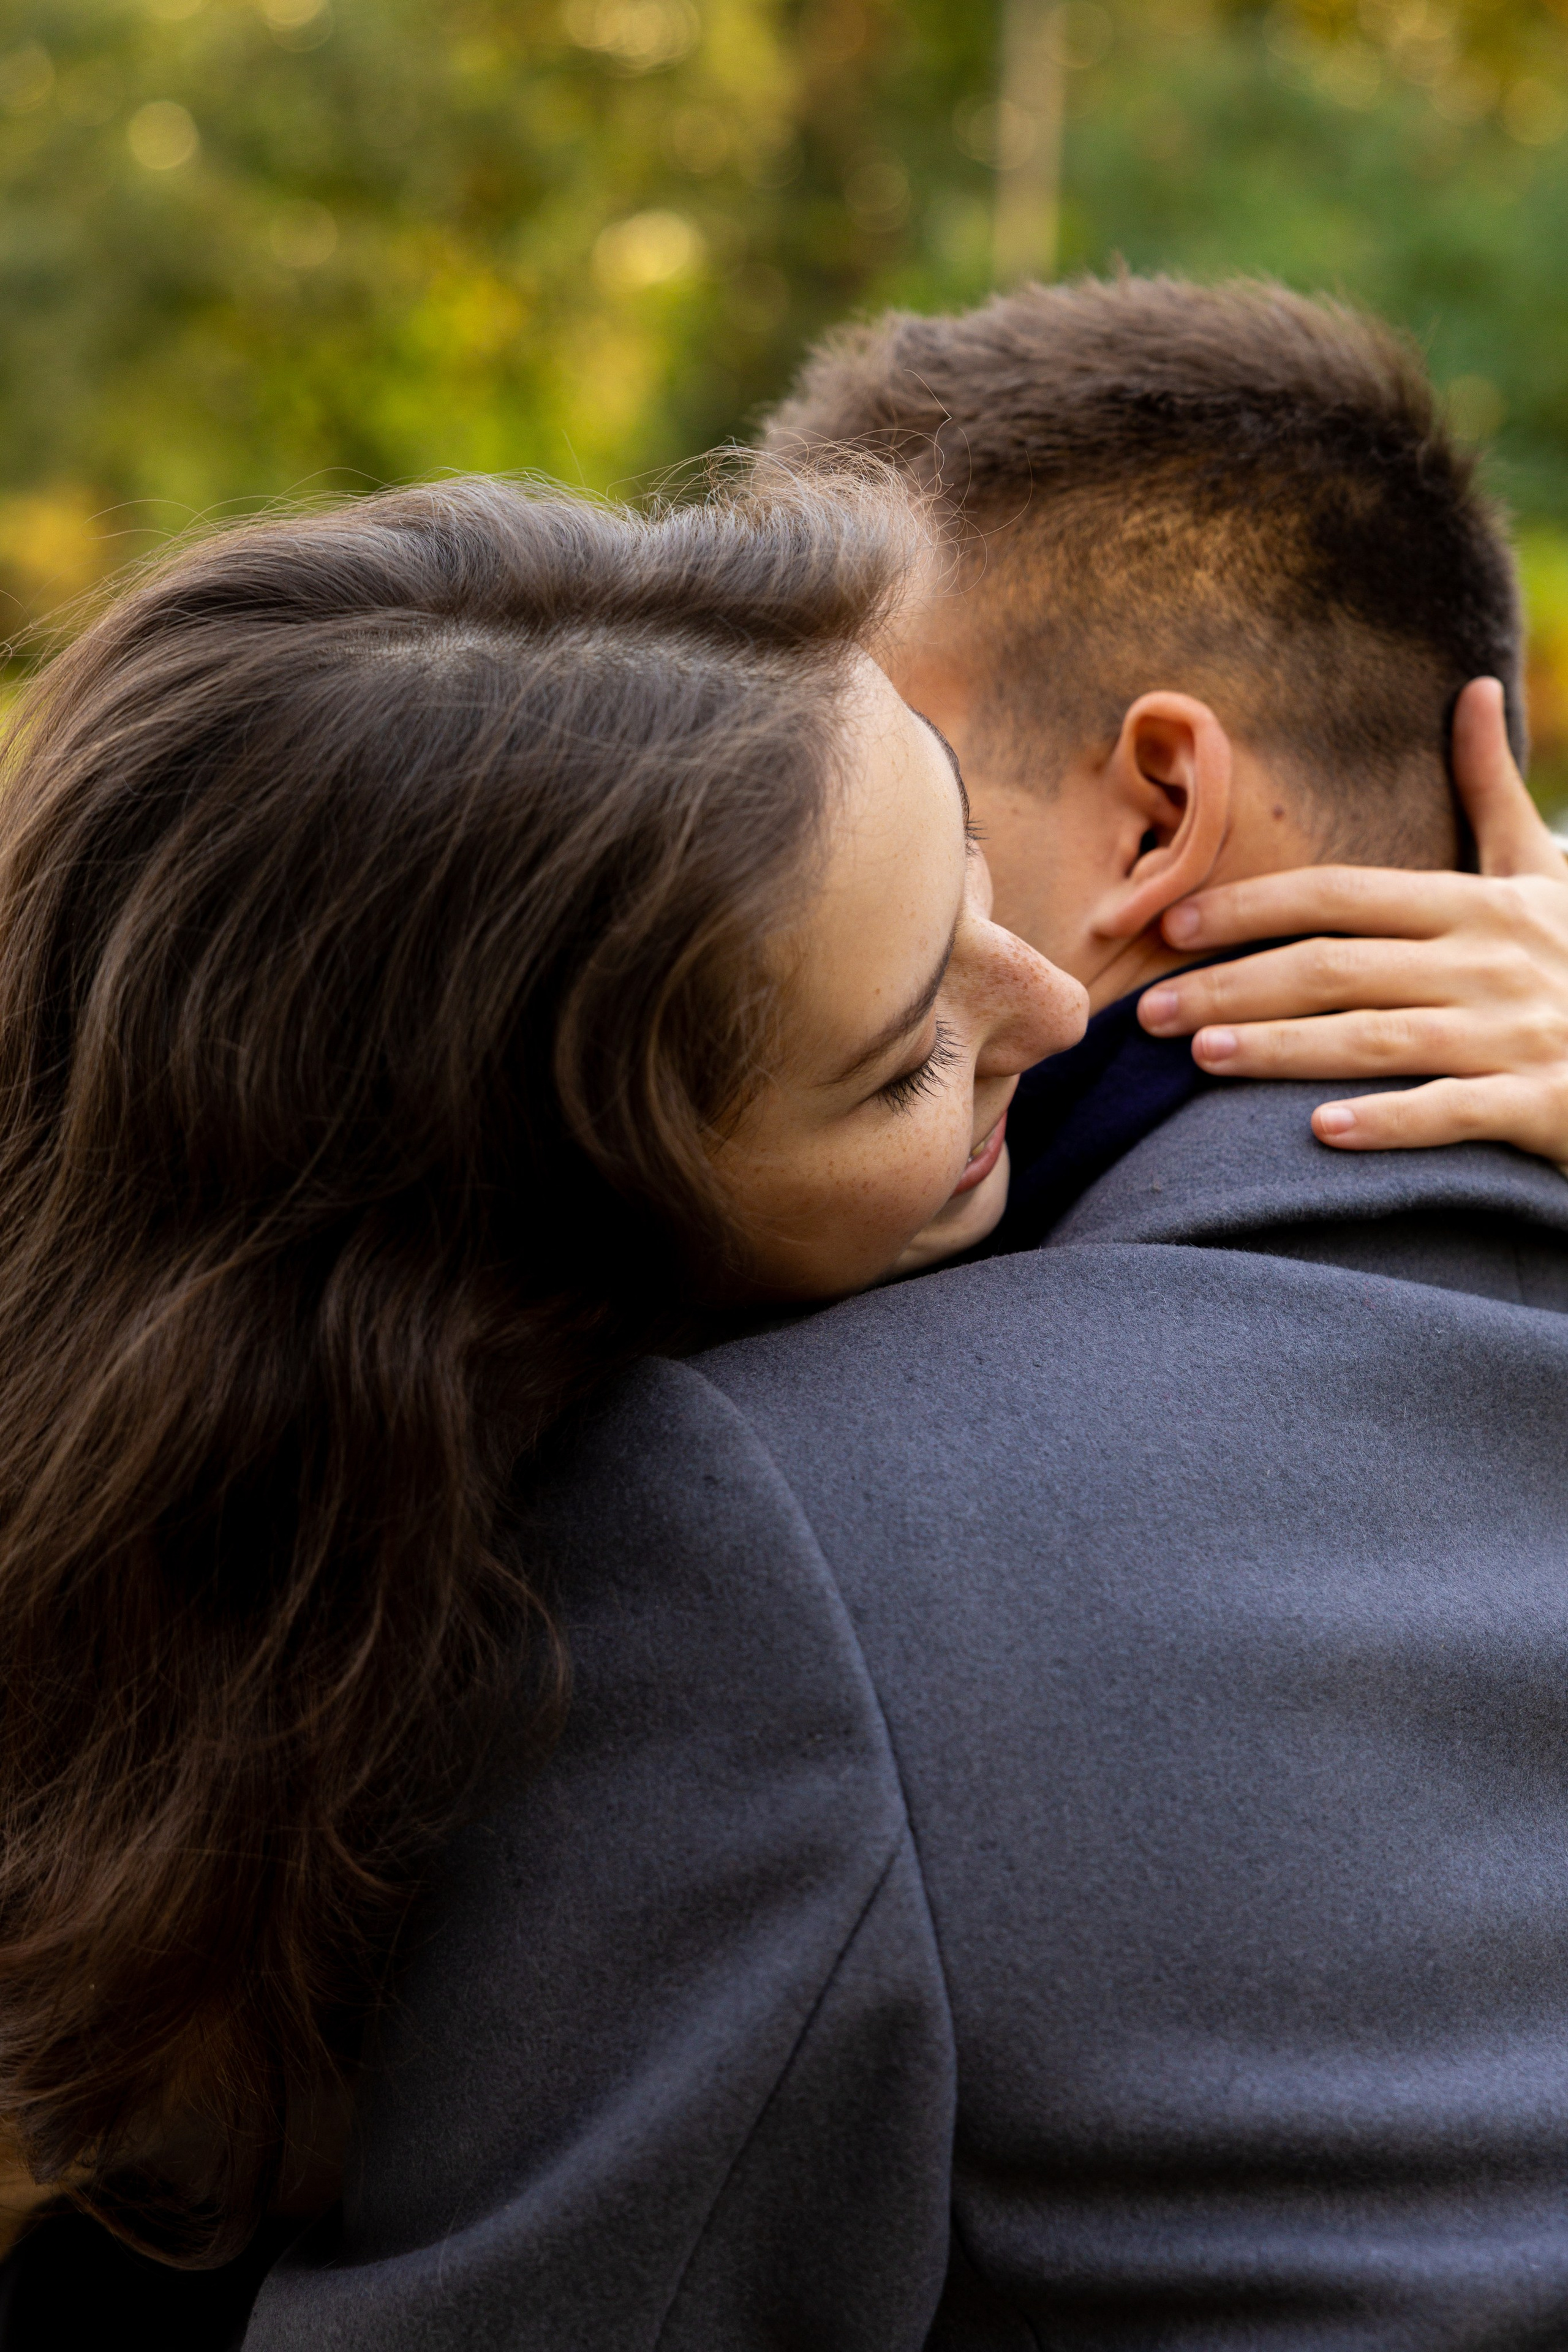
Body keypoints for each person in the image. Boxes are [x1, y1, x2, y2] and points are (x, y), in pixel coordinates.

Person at [0, 443, 1563, 2346]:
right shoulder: (711, 1542)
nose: (1059, 1008)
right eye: (908, 1053)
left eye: (970, 856)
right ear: (524, 1242)